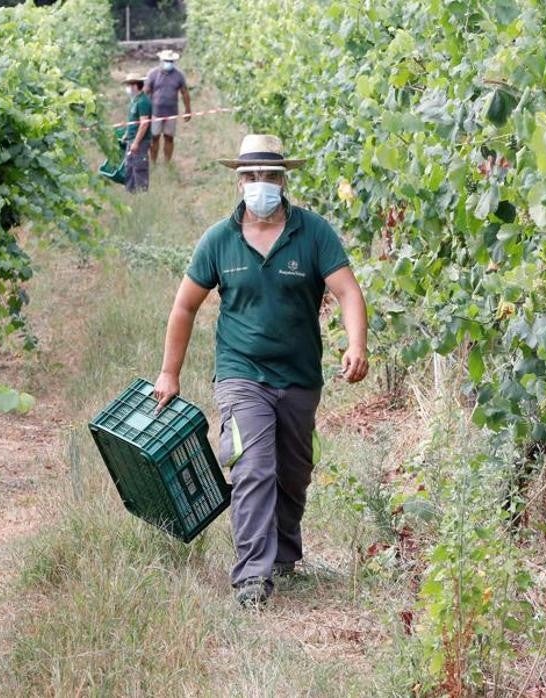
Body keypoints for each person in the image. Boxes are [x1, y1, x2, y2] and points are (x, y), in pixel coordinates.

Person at [154, 134, 369, 608]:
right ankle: (251, 577)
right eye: (251, 176)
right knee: (252, 468)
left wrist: (356, 344)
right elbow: (185, 306)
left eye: (269, 176)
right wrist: (169, 373)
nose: (260, 185)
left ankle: (285, 554)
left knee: (293, 473)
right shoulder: (219, 240)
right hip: (240, 373)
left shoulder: (313, 234)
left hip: (298, 377)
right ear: (238, 182)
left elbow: (348, 292)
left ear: (283, 179)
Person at [142, 49, 191, 164]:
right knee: (154, 137)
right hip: (155, 112)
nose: (168, 63)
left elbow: (184, 92)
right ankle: (153, 161)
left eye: (170, 61)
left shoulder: (179, 75)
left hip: (171, 112)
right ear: (161, 61)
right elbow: (146, 92)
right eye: (166, 61)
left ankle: (167, 162)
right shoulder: (153, 74)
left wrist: (188, 109)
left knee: (169, 137)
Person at [121, 73, 152, 192]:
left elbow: (144, 124)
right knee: (129, 168)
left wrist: (136, 142)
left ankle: (142, 193)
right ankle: (131, 193)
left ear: (135, 86)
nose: (128, 88)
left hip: (140, 141)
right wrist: (127, 135)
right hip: (132, 139)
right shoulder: (135, 100)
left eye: (129, 85)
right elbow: (133, 121)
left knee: (139, 168)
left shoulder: (143, 101)